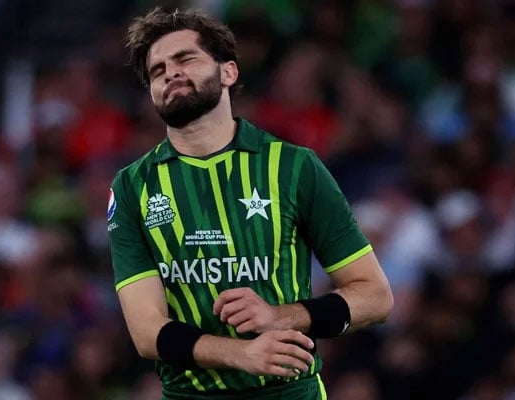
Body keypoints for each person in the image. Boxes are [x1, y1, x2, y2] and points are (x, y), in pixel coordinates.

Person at [108, 7, 393, 400]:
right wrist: (242, 353)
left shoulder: (294, 167)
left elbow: (375, 296)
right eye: (157, 71)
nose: (170, 73)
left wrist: (283, 317)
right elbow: (146, 331)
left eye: (185, 58)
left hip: (290, 393)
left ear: (229, 72)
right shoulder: (131, 187)